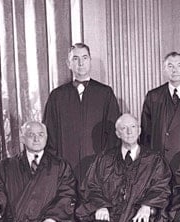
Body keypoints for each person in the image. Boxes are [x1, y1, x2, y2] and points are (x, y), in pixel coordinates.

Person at [43, 42, 121, 184]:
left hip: (98, 168)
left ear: (90, 61)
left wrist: (106, 164)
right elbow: (50, 134)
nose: (80, 63)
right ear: (68, 63)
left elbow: (114, 133)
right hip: (66, 169)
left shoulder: (105, 93)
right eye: (75, 58)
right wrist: (57, 167)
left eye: (85, 58)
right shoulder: (57, 96)